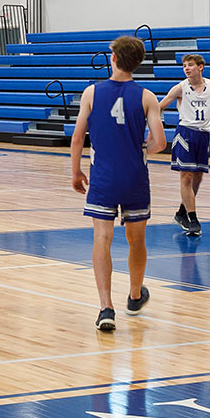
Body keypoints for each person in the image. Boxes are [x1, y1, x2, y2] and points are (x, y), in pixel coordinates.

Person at [70, 36, 166, 332]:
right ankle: (135, 296)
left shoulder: (91, 93)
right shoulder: (147, 96)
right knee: (136, 239)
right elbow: (160, 143)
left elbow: (77, 138)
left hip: (104, 176)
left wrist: (75, 172)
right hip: (134, 176)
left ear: (113, 58)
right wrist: (141, 149)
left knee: (102, 238)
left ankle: (105, 307)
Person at [159, 53, 210, 237]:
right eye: (184, 66)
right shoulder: (180, 87)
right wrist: (150, 124)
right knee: (186, 176)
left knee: (197, 178)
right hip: (185, 134)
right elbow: (160, 106)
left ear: (200, 67)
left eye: (190, 65)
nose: (186, 68)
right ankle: (193, 219)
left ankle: (181, 213)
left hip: (203, 135)